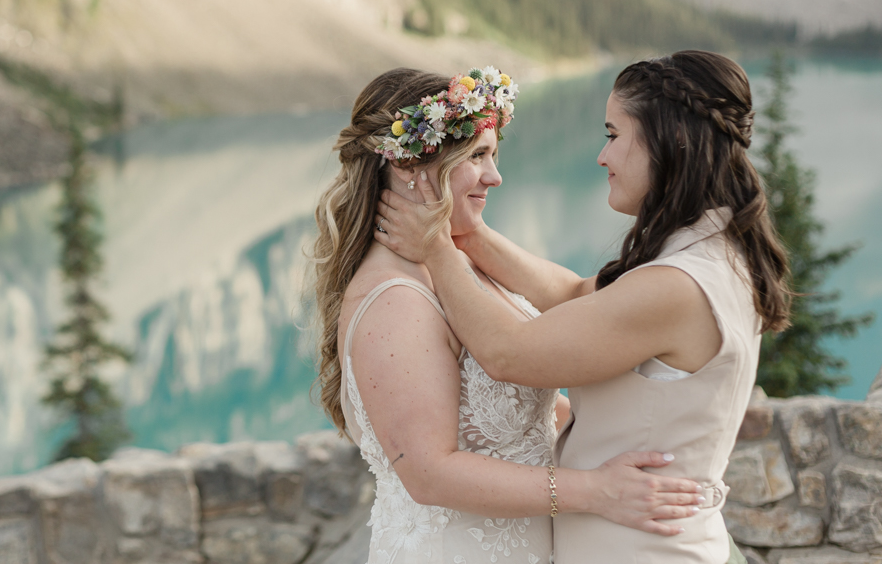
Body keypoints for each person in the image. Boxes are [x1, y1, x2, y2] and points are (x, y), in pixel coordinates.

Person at [374, 51, 790, 563]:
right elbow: (574, 297)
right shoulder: (704, 253)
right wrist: (472, 236)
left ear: (670, 139)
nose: (602, 156)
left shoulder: (679, 284)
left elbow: (508, 354)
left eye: (613, 135)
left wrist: (437, 250)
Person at [312, 67, 707, 564]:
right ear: (412, 166)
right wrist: (596, 491)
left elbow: (524, 407)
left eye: (493, 155)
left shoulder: (462, 269)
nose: (495, 176)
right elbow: (428, 472)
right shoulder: (394, 299)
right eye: (477, 156)